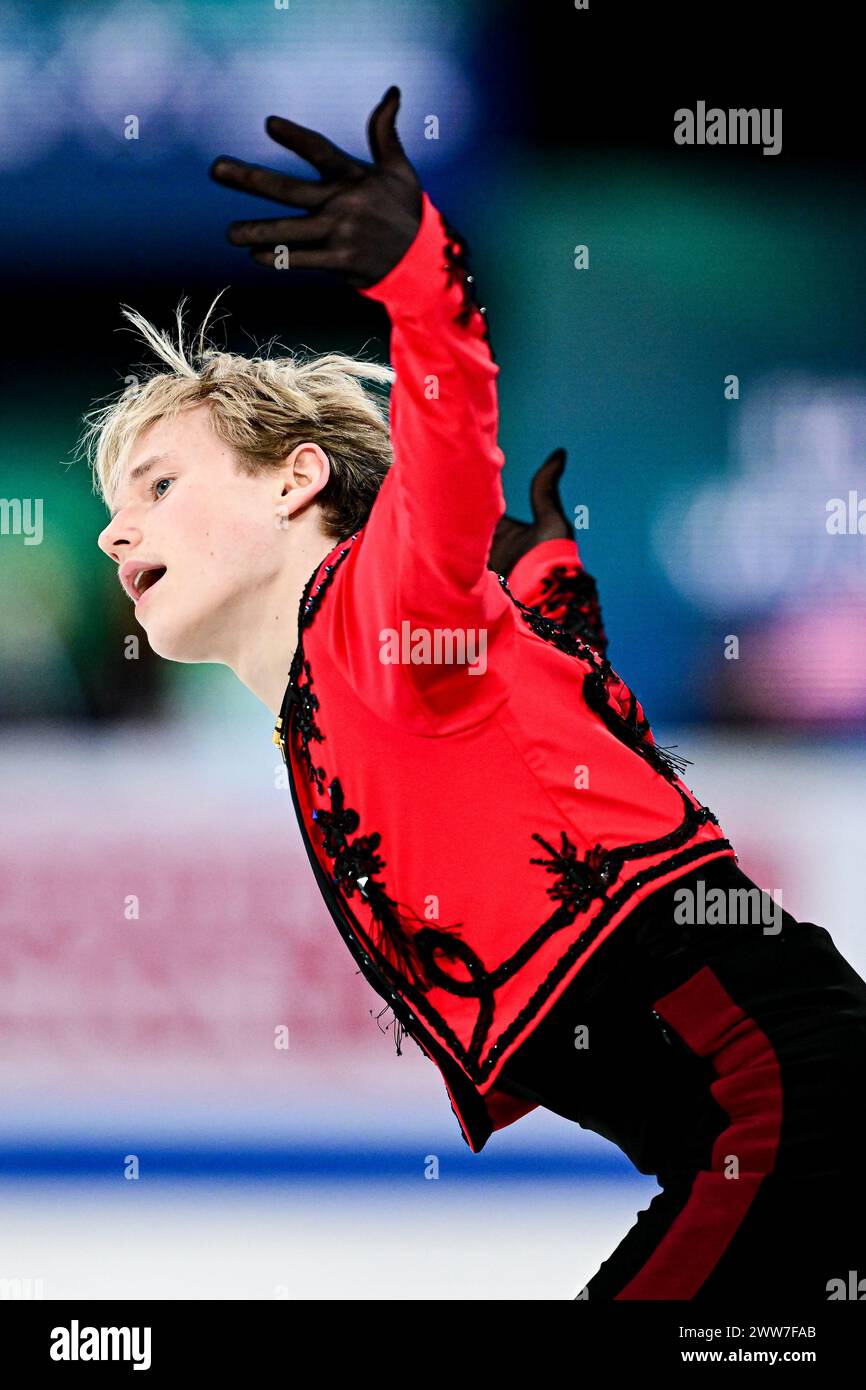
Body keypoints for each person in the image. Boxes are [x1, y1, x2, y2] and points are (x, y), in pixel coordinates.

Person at [88, 88, 866, 1300]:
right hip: (779, 1119)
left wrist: (418, 277)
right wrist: (551, 592)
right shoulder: (353, 687)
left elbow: (450, 455)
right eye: (108, 506)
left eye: (155, 484)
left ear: (295, 480)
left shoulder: (372, 615)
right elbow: (570, 752)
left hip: (786, 1111)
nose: (112, 530)